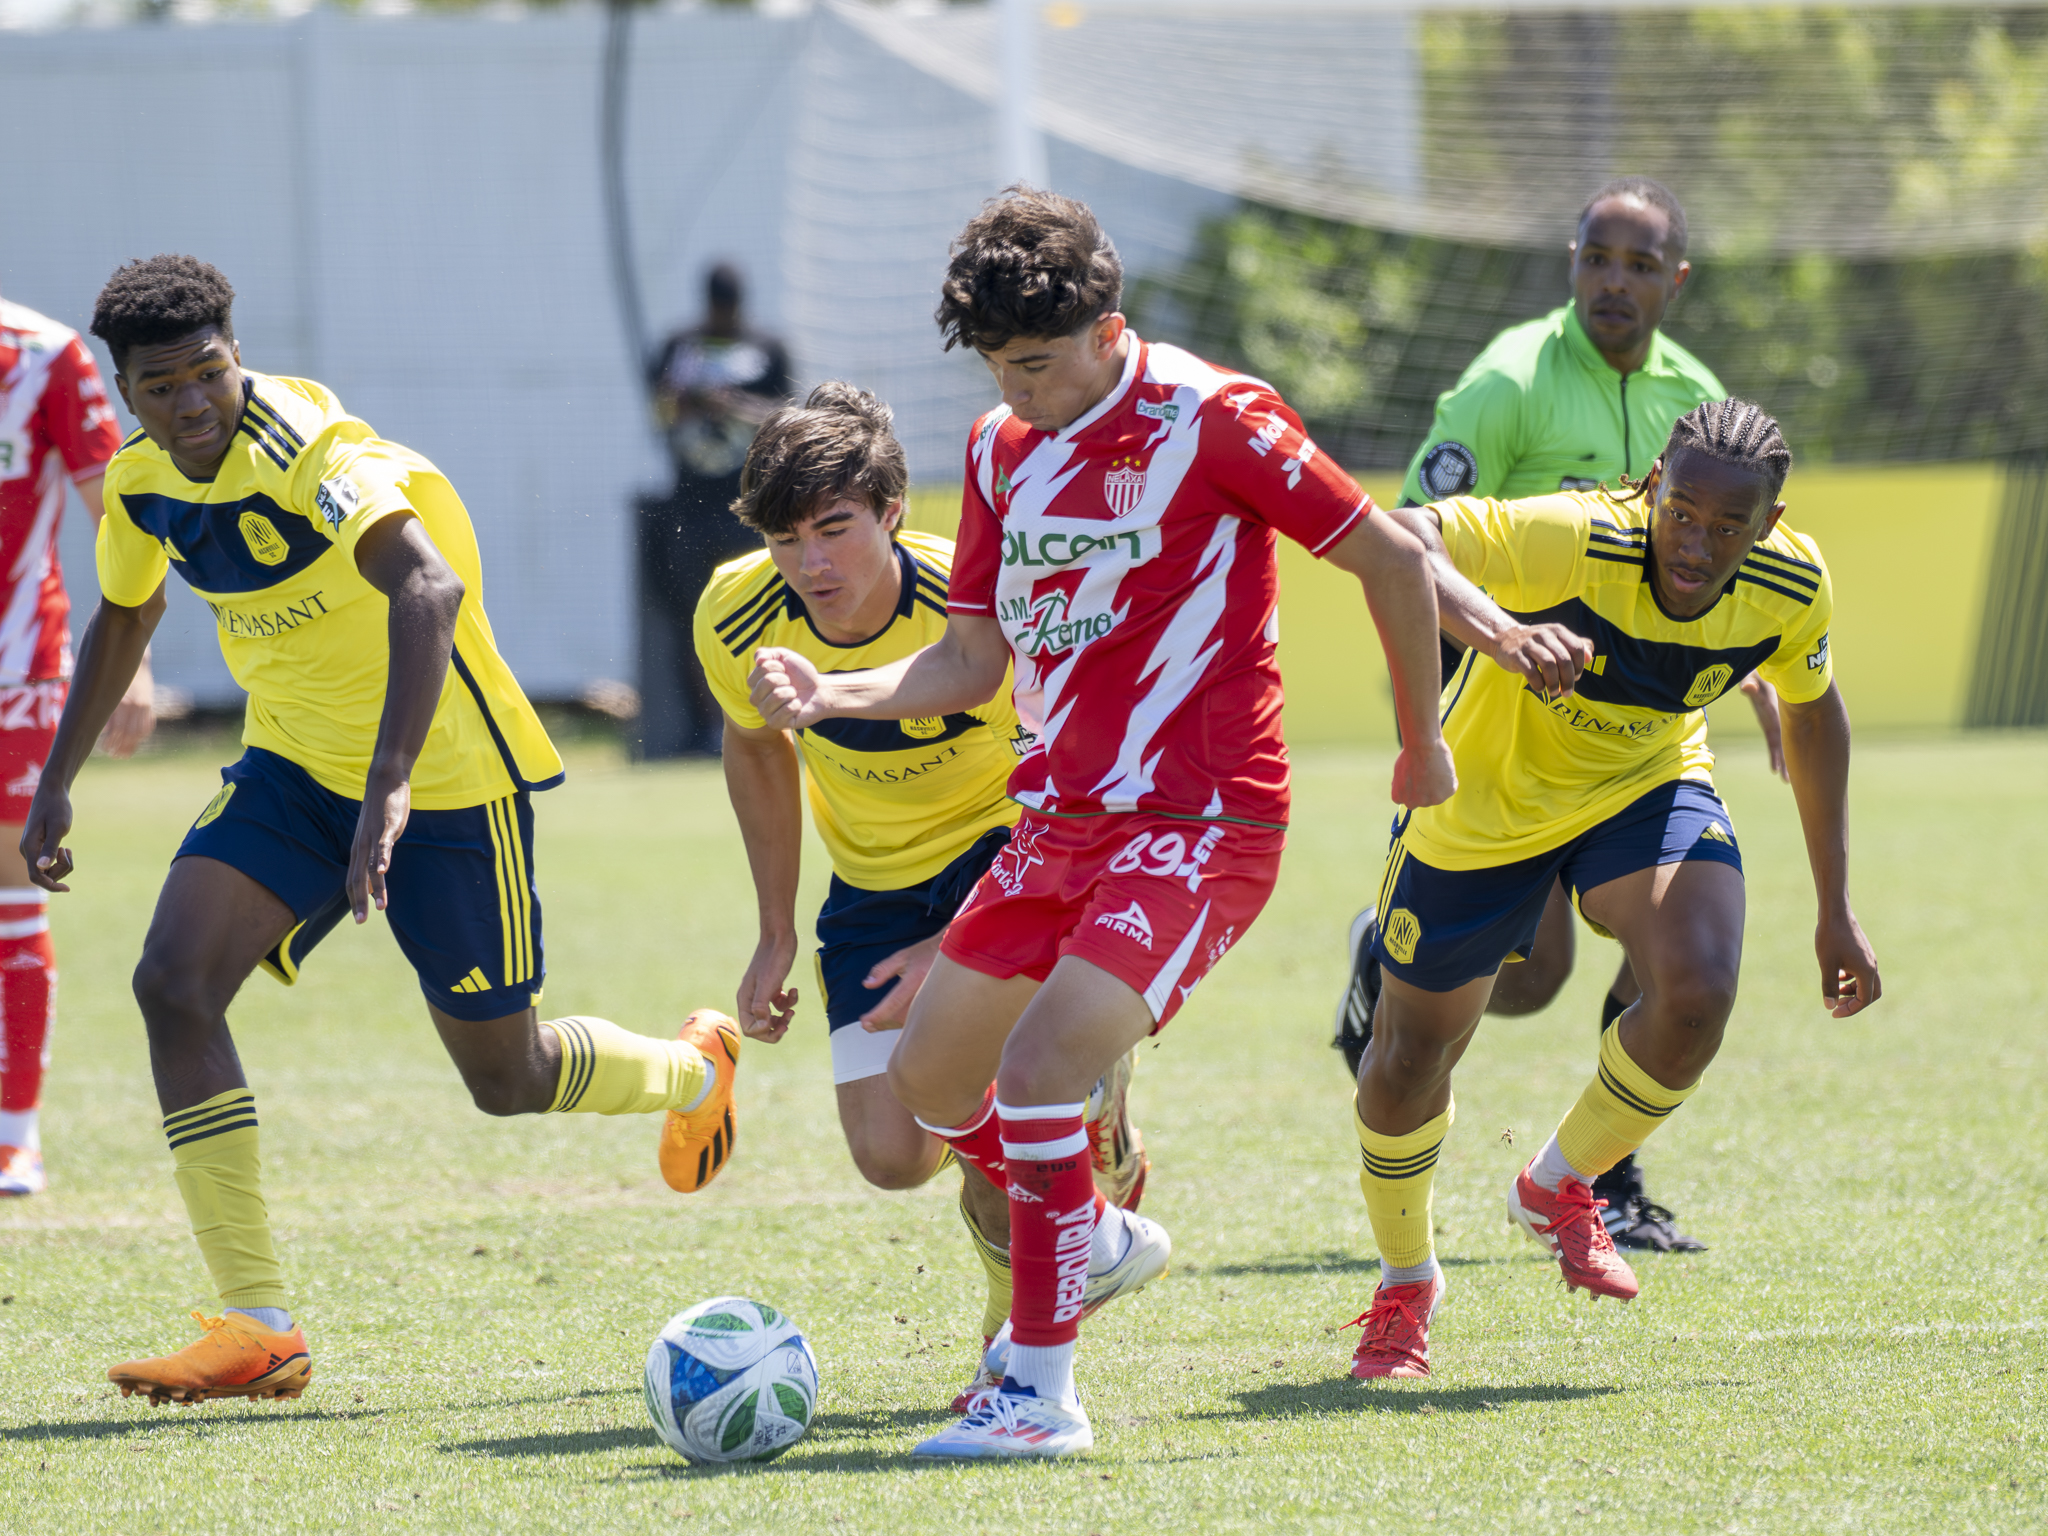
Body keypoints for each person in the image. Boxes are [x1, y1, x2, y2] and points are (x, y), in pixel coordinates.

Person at [749, 187, 1564, 1459]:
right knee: (925, 1083)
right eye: (996, 367)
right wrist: (830, 692)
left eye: (1035, 363)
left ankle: (1038, 1396)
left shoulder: (1211, 417)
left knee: (1037, 1074)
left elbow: (1393, 561)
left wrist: (1422, 743)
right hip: (1057, 826)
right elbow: (970, 662)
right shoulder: (995, 452)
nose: (1015, 391)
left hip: (1199, 821)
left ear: (1106, 326)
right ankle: (1102, 1232)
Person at [22, 255, 742, 1408]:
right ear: (127, 392)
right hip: (296, 770)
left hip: (446, 779)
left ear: (235, 354)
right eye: (163, 386)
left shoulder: (313, 452)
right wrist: (59, 781)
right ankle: (259, 1326)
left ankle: (689, 1069)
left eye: (210, 371)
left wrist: (394, 785)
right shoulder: (145, 481)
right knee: (173, 981)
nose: (194, 401)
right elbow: (125, 608)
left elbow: (426, 589)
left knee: (504, 1078)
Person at [1343, 399, 1881, 1382]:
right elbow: (1398, 539)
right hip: (1485, 802)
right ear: (1649, 491)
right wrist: (1500, 630)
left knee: (1696, 990)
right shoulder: (1570, 536)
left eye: (1727, 526)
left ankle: (1556, 1185)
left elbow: (1815, 717)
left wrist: (1833, 907)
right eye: (1680, 513)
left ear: (1766, 523)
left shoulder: (1789, 581)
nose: (1697, 544)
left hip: (1642, 784)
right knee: (1407, 1058)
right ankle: (1405, 1282)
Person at [1332, 176, 1785, 1251]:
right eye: (1596, 259)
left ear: (1674, 281)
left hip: (1643, 726)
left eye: (1638, 265)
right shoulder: (1510, 380)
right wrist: (1475, 668)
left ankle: (1604, 1179)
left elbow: (1730, 556)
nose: (1612, 283)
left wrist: (1756, 670)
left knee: (1676, 941)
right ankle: (1383, 961)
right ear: (1568, 265)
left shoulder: (1693, 391)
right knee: (1529, 982)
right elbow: (1409, 541)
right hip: (1512, 710)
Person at [695, 380, 1149, 1412]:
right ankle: (1088, 1142)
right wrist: (774, 929)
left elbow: (1078, 783)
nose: (809, 563)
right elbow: (755, 748)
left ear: (892, 512)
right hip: (872, 886)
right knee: (893, 1155)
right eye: (782, 538)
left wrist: (961, 944)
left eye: (833, 529)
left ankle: (1012, 1341)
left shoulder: (976, 602)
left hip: (1013, 857)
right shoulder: (734, 613)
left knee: (978, 1091)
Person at [0, 288, 157, 1197]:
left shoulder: (42, 355)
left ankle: (14, 1132)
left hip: (18, 673)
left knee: (12, 892)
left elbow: (115, 511)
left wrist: (129, 663)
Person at [639, 263, 793, 757]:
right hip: (688, 505)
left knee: (761, 618)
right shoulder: (679, 347)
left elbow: (785, 415)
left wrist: (734, 404)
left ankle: (771, 722)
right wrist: (691, 402)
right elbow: (659, 412)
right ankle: (710, 730)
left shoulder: (767, 347)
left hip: (749, 503)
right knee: (697, 621)